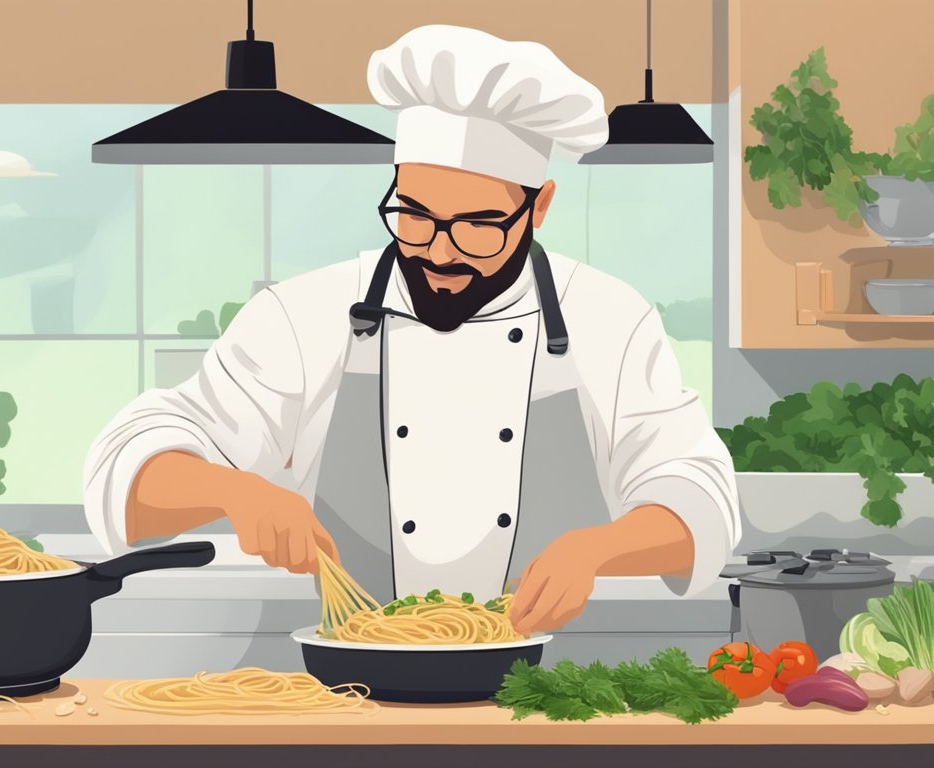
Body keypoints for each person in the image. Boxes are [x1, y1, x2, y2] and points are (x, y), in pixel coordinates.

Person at [83, 24, 740, 635]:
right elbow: (127, 469)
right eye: (415, 216)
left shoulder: (607, 318)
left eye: (479, 225)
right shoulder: (307, 315)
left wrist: (599, 548)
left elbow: (698, 494)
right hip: (354, 690)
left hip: (545, 693)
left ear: (538, 206)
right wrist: (234, 489)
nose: (441, 252)